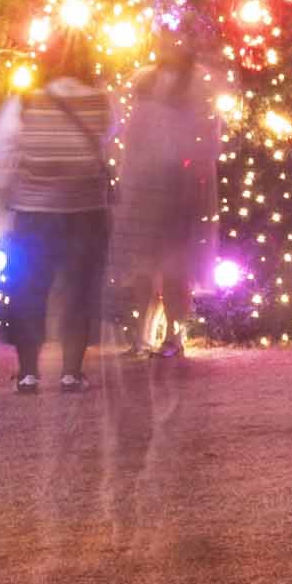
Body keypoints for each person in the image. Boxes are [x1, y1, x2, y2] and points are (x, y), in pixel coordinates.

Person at [0, 34, 117, 392]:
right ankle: (71, 372)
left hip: (35, 210)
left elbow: (3, 150)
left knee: (30, 290)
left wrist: (6, 198)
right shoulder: (102, 100)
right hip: (86, 209)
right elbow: (111, 150)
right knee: (79, 291)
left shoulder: (25, 102)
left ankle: (28, 373)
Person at [112, 55, 220, 361]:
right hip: (145, 188)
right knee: (145, 267)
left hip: (174, 189)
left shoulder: (194, 85)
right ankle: (144, 335)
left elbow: (205, 141)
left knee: (171, 266)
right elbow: (126, 138)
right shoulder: (143, 83)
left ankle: (171, 335)